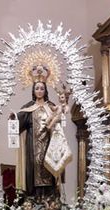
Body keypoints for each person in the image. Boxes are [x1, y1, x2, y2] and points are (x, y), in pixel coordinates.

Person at [15, 73, 72, 201]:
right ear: (33, 91)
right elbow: (18, 122)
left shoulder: (51, 106)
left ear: (45, 90)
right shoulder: (28, 108)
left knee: (49, 166)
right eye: (37, 88)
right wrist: (12, 118)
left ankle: (49, 197)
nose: (39, 91)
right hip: (32, 146)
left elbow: (60, 119)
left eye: (42, 88)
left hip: (49, 145)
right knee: (34, 166)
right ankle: (34, 197)